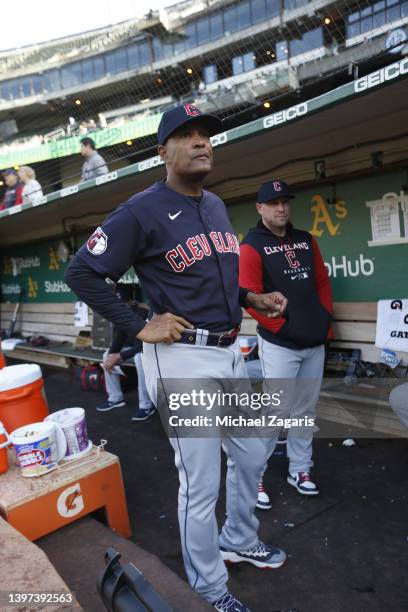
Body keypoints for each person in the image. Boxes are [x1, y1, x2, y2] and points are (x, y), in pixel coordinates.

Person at [65, 104, 289, 612]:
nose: (200, 142)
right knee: (201, 482)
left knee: (253, 454)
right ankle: (209, 589)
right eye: (185, 136)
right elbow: (81, 273)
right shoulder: (140, 209)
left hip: (230, 349)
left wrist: (251, 300)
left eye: (205, 134)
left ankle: (236, 538)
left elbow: (216, 276)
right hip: (182, 358)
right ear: (162, 152)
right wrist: (138, 325)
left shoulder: (212, 205)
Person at [239, 179, 333, 510]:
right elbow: (249, 299)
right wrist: (284, 326)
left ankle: (300, 470)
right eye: (273, 202)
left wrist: (323, 319)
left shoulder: (306, 240)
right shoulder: (251, 246)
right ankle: (254, 476)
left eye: (285, 201)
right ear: (260, 208)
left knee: (304, 411)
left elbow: (322, 281)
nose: (281, 207)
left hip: (313, 342)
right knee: (276, 411)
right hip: (280, 344)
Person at [97, 284, 155, 421]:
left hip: (147, 350)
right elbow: (118, 339)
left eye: (122, 303)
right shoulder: (120, 315)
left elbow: (146, 344)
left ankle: (146, 405)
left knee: (139, 358)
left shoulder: (142, 313)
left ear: (130, 301)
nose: (119, 306)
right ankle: (115, 397)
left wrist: (121, 355)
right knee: (106, 355)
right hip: (131, 350)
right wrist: (112, 355)